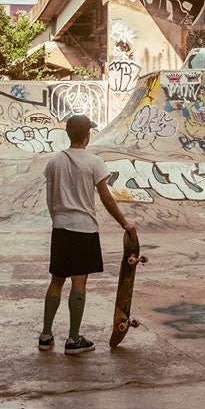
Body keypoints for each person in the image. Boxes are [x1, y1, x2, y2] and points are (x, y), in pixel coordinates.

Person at [37, 114, 133, 355]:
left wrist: (58, 219)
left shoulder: (54, 162)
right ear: (87, 136)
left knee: (57, 279)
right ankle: (73, 340)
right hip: (84, 229)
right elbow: (106, 197)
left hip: (60, 227)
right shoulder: (94, 162)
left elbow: (50, 198)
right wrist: (124, 223)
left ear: (69, 134)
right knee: (79, 281)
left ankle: (46, 335)